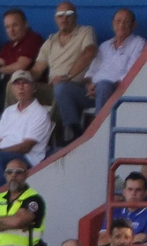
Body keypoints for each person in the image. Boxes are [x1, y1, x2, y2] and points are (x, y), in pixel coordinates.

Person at [56, 8, 142, 144]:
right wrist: (88, 84)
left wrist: (103, 85)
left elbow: (131, 74)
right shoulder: (104, 46)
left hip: (116, 92)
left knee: (103, 85)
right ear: (112, 24)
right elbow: (91, 72)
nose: (121, 25)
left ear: (134, 25)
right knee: (62, 88)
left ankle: (98, 133)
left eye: (126, 22)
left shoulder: (138, 44)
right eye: (118, 21)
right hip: (94, 91)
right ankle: (73, 130)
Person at [0, 71, 52, 185]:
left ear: (34, 87)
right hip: (1, 154)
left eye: (25, 83)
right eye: (17, 84)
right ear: (12, 88)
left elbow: (25, 147)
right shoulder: (9, 111)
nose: (21, 87)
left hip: (27, 158)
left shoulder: (40, 113)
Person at [32, 2, 97, 108]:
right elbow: (36, 70)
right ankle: (13, 122)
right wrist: (22, 78)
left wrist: (68, 76)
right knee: (14, 87)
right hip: (51, 88)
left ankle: (57, 124)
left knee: (61, 89)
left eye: (69, 14)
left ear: (75, 17)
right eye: (60, 15)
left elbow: (90, 52)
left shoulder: (85, 32)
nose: (64, 18)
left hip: (75, 87)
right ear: (55, 19)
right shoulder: (50, 41)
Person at [0, 7, 43, 99]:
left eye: (15, 25)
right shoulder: (8, 45)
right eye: (7, 27)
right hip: (6, 85)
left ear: (25, 24)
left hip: (27, 88)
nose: (11, 30)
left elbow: (21, 66)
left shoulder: (33, 39)